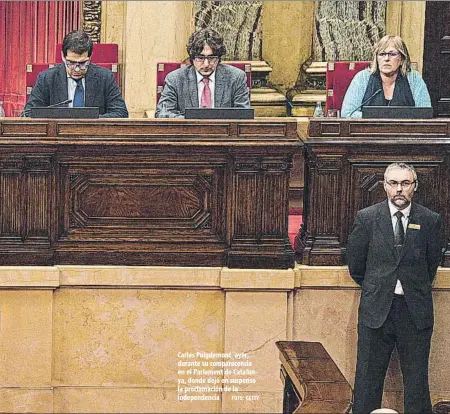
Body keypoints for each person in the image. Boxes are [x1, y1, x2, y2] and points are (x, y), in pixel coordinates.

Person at [347, 162, 442, 414]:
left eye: (405, 183)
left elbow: (431, 265)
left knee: (417, 383)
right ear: (385, 186)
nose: (399, 189)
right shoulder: (367, 218)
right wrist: (380, 287)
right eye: (393, 183)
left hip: (414, 312)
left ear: (415, 186)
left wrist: (410, 286)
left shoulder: (430, 220)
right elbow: (356, 266)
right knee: (367, 381)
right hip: (376, 310)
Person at [24, 31, 128, 118]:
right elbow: (28, 113)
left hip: (93, 139)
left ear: (90, 56)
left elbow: (121, 113)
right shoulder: (46, 78)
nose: (77, 69)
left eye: (83, 63)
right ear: (63, 56)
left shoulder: (105, 77)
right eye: (71, 63)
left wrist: (87, 121)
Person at [155, 28, 250, 118]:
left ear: (219, 58)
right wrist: (193, 123)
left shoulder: (236, 77)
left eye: (211, 58)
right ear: (192, 58)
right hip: (187, 134)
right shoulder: (175, 79)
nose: (206, 64)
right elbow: (163, 113)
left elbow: (243, 115)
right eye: (200, 58)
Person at [341, 35, 431, 118]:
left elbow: (425, 114)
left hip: (404, 133)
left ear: (402, 59)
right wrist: (381, 119)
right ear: (376, 59)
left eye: (392, 54)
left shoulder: (414, 78)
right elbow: (348, 113)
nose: (386, 59)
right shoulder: (362, 78)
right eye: (382, 54)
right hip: (368, 133)